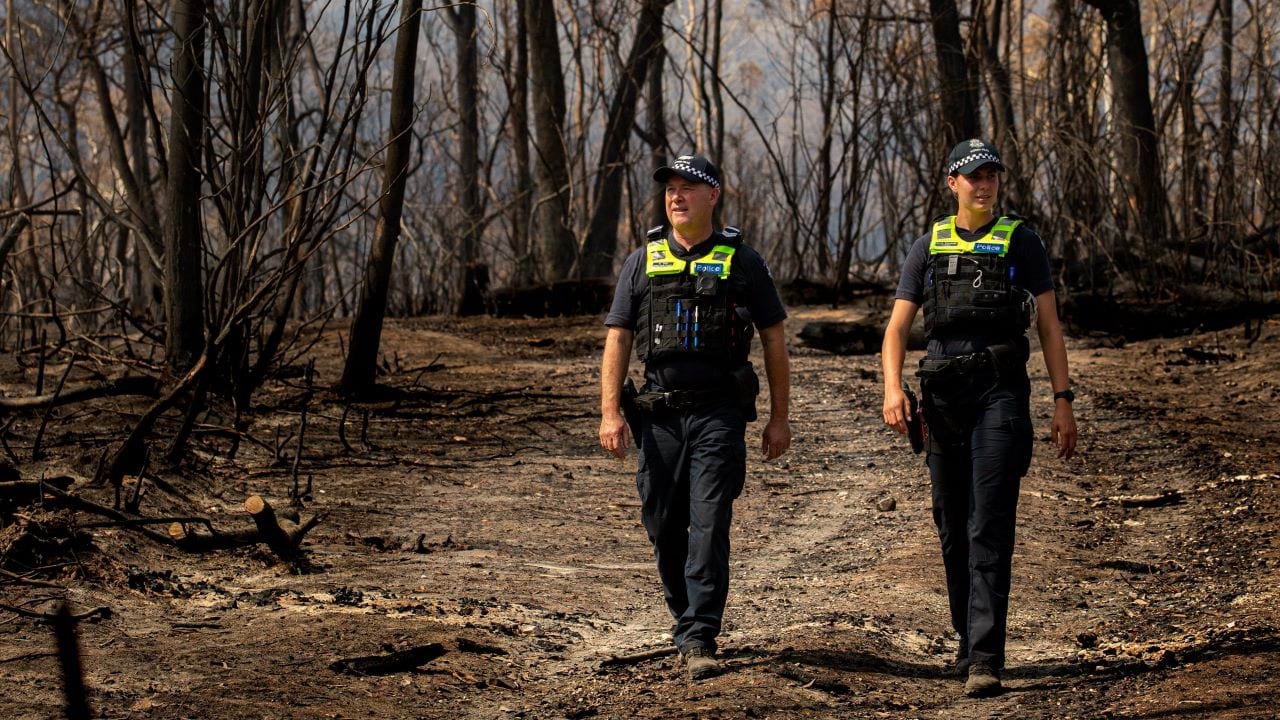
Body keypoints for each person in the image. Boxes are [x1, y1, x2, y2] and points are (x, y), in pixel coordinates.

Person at [881, 139, 1078, 698]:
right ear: (952, 183)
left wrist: (1062, 399)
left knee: (988, 522)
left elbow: (1049, 326)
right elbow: (897, 329)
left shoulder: (1022, 242)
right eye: (973, 176)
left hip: (1000, 393)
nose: (984, 184)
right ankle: (968, 641)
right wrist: (892, 388)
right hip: (942, 398)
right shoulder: (927, 246)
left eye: (991, 175)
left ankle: (986, 657)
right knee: (951, 525)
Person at [599, 154, 792, 682]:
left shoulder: (742, 261)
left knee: (708, 525)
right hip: (657, 417)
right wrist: (610, 411)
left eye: (689, 188)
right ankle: (687, 618)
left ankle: (700, 635)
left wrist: (780, 417)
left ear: (714, 196)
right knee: (663, 523)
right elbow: (617, 336)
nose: (677, 196)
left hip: (718, 415)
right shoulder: (642, 261)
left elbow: (774, 337)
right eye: (670, 190)